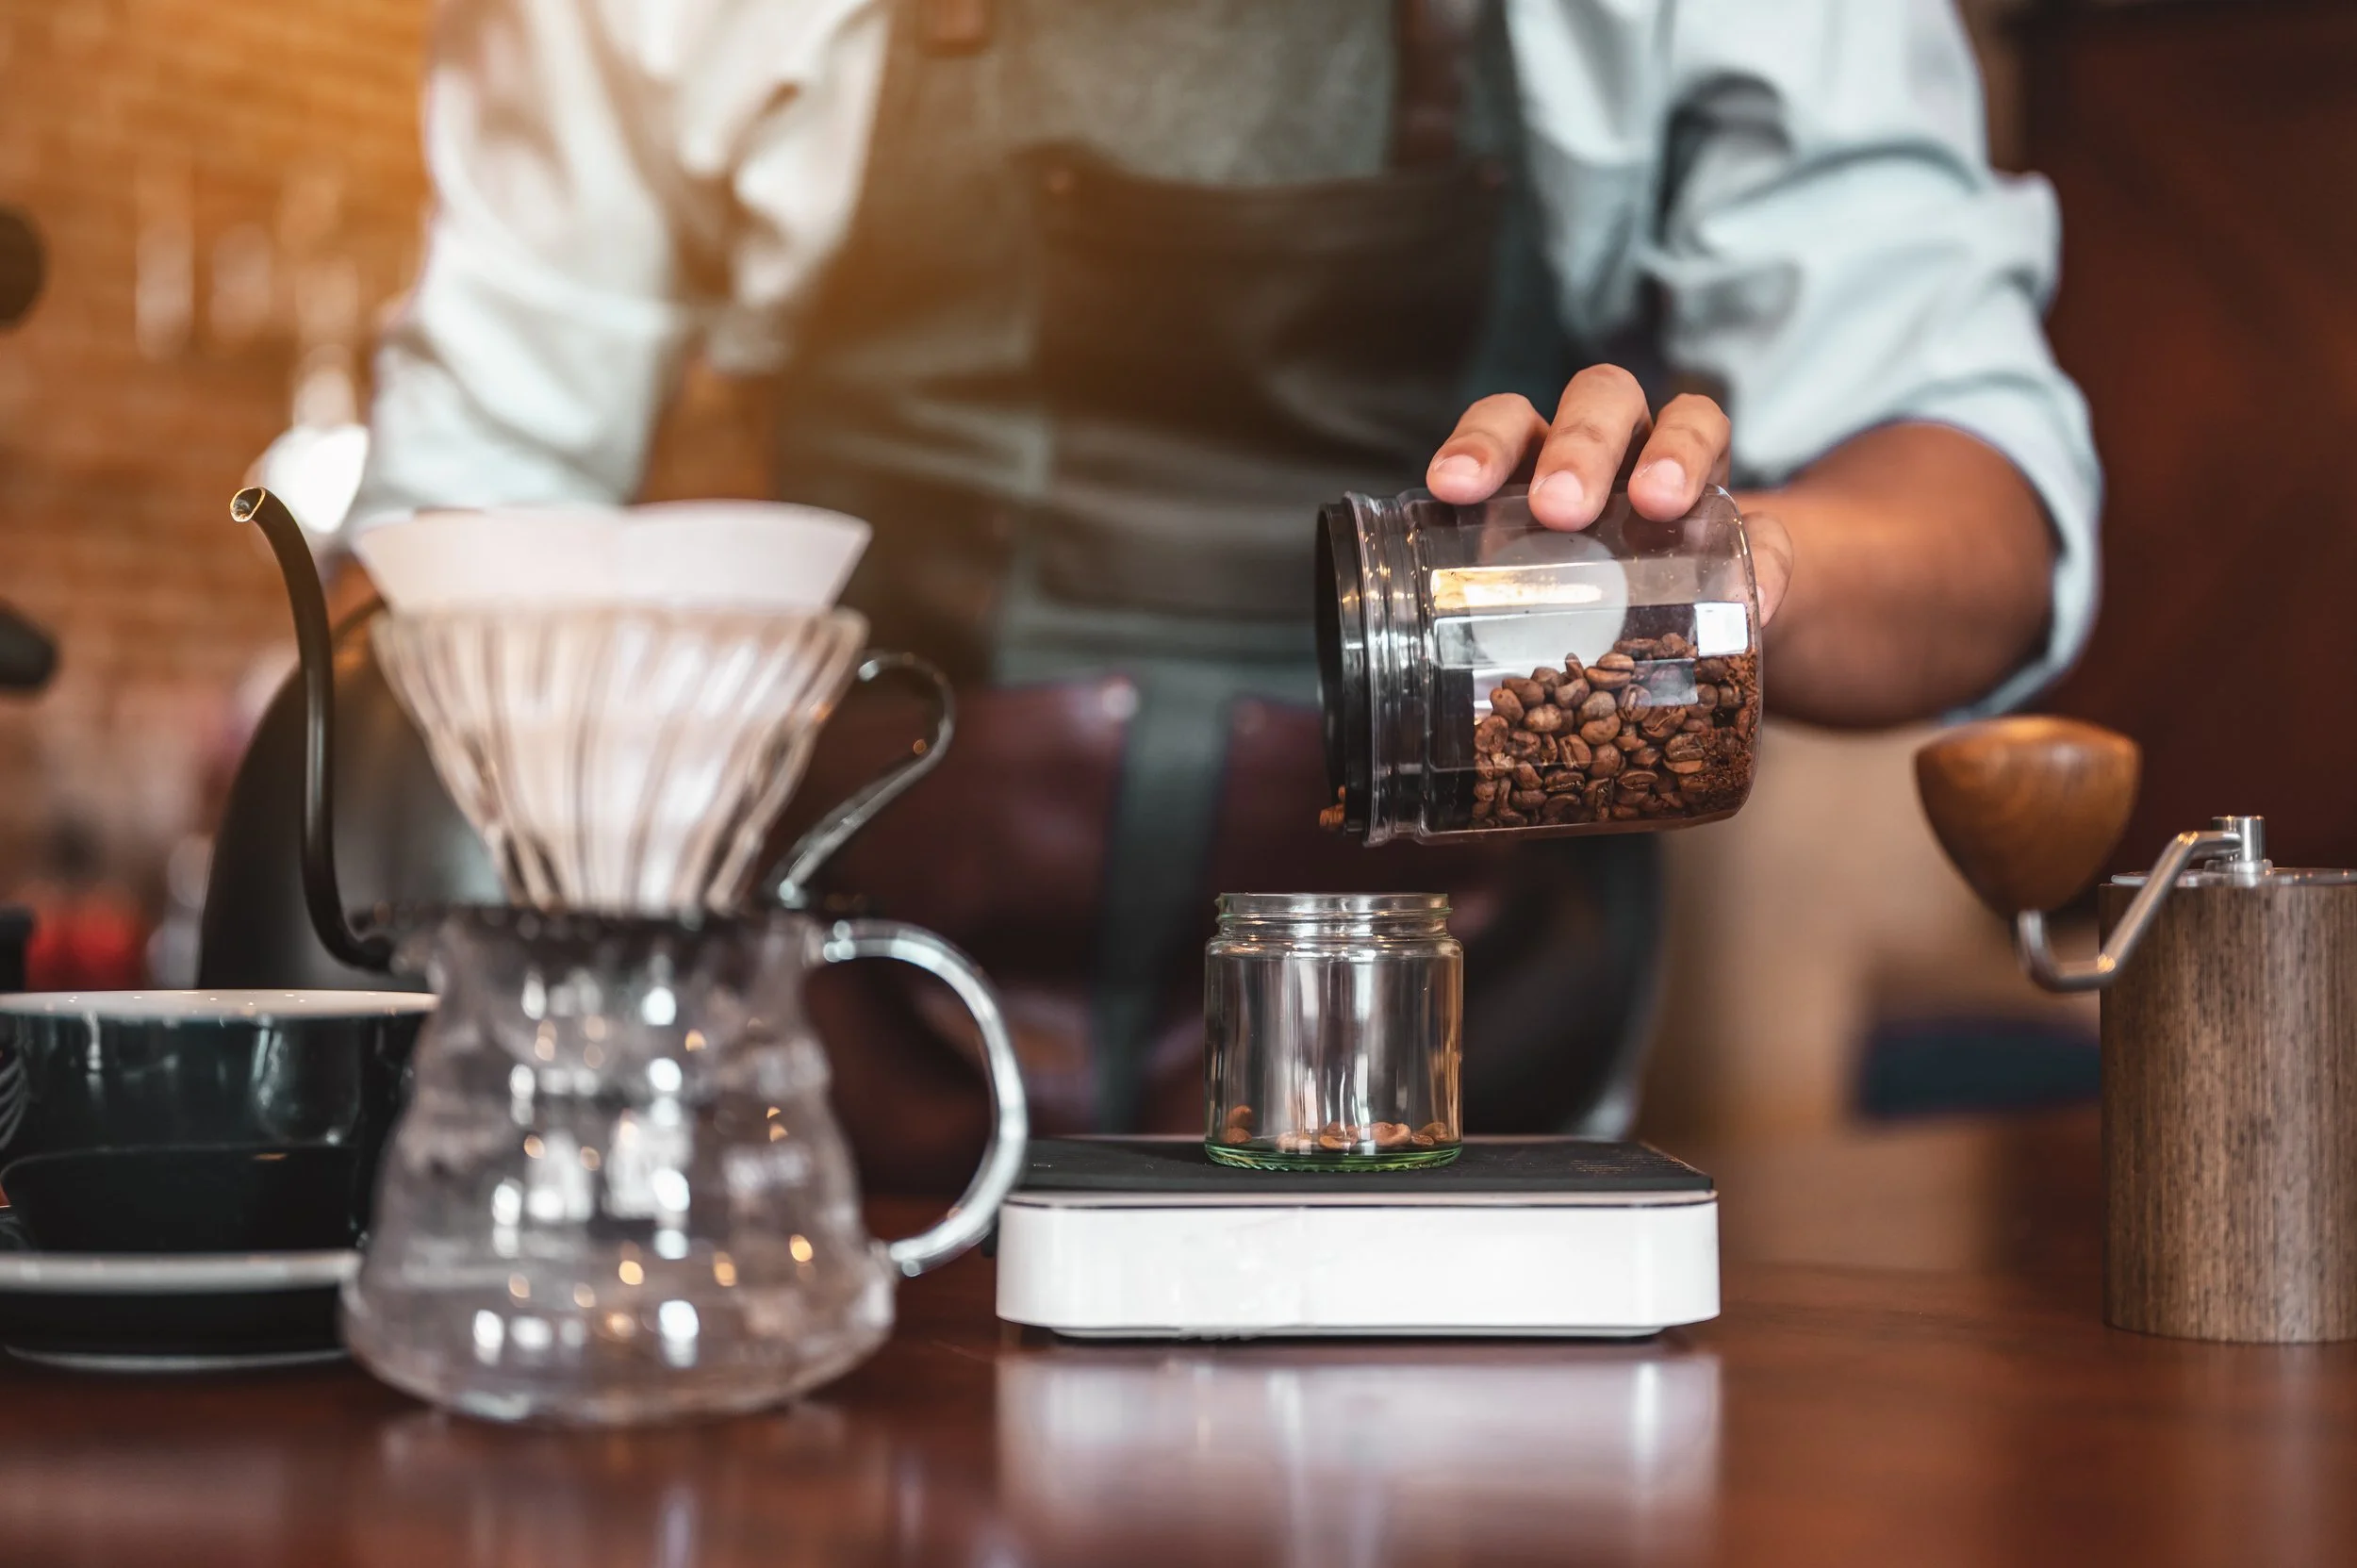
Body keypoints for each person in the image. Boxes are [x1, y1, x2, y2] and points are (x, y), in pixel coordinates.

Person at [213, 0, 2095, 1180]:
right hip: (835, 1165)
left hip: (1459, 1161)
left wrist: (1716, 572)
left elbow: (1980, 500)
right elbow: (478, 502)